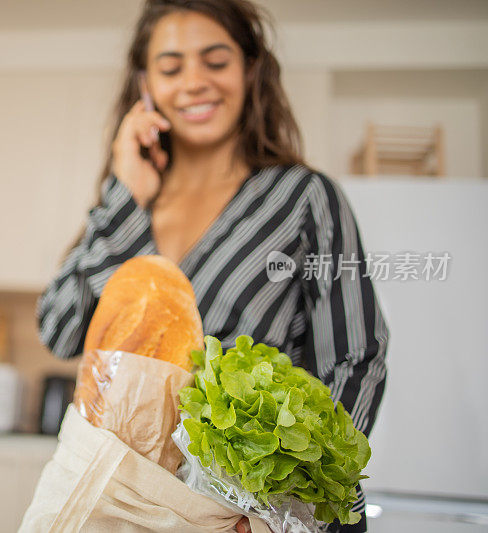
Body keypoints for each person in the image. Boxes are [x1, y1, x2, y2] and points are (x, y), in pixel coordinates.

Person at [36, 1, 389, 531]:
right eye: (172, 68)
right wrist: (123, 193)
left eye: (216, 61)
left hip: (247, 517)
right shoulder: (132, 202)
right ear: (145, 85)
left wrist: (289, 508)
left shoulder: (302, 198)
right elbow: (61, 330)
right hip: (124, 508)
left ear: (251, 70)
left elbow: (357, 357)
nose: (195, 82)